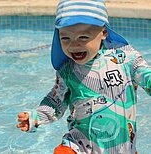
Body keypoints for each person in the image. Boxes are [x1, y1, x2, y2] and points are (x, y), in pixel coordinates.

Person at [17, 0, 149, 153]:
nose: (74, 45)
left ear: (103, 33)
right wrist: (35, 117)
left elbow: (146, 75)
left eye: (83, 37)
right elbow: (55, 102)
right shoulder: (67, 71)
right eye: (65, 38)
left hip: (121, 146)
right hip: (80, 145)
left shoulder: (126, 59)